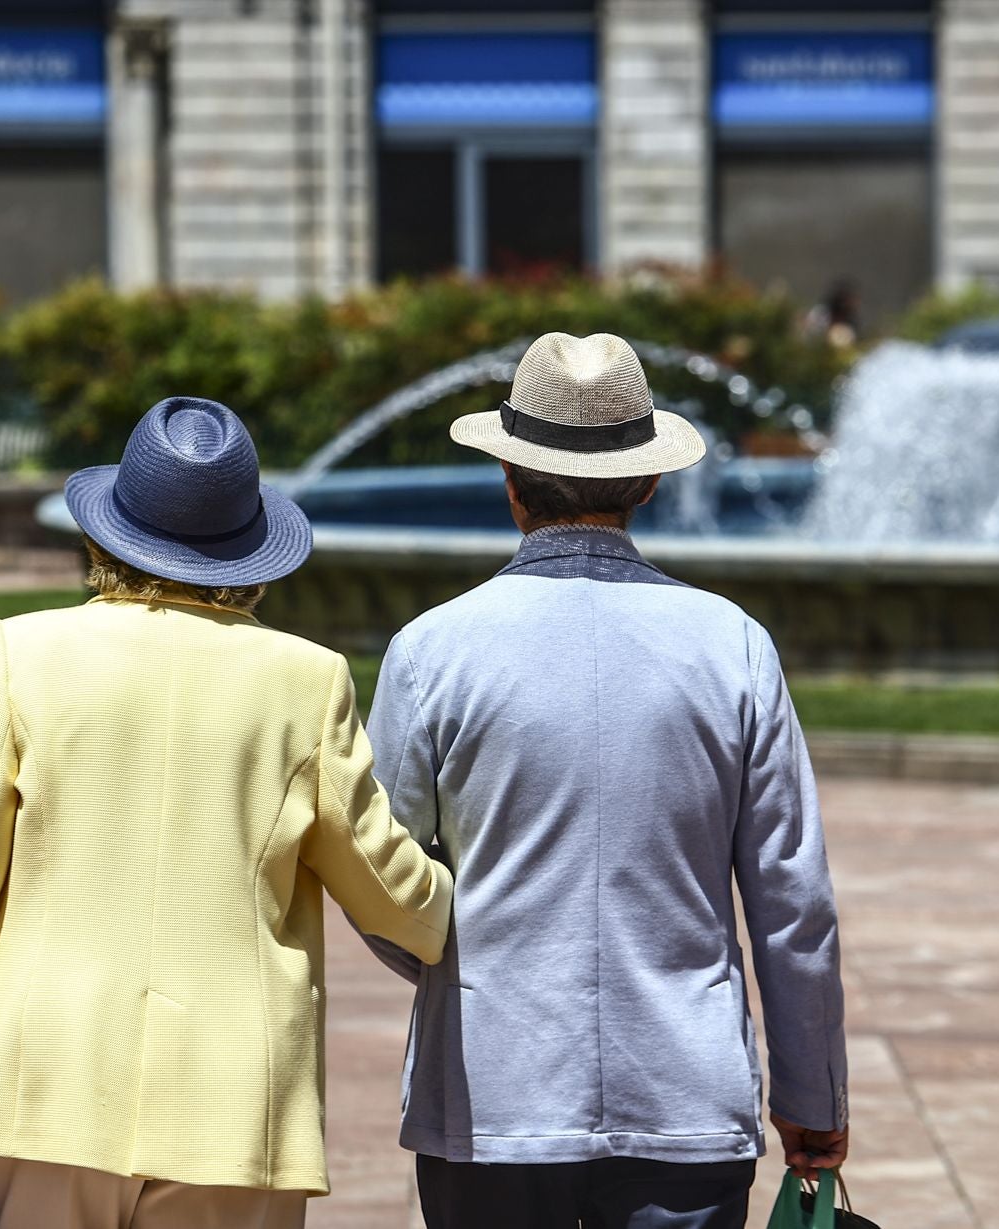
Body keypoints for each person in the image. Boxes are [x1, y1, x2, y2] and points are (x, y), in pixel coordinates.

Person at [0, 397, 455, 1229]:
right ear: (250, 549)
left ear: (108, 531)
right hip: (230, 1099)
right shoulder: (305, 678)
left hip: (46, 1083)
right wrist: (468, 915)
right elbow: (383, 882)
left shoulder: (21, 652)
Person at [360, 333, 849, 1229]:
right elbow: (792, 901)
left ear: (508, 478)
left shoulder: (431, 649)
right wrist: (812, 1093)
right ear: (648, 481)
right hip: (686, 1091)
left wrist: (451, 959)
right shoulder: (730, 643)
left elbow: (381, 875)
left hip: (491, 1089)